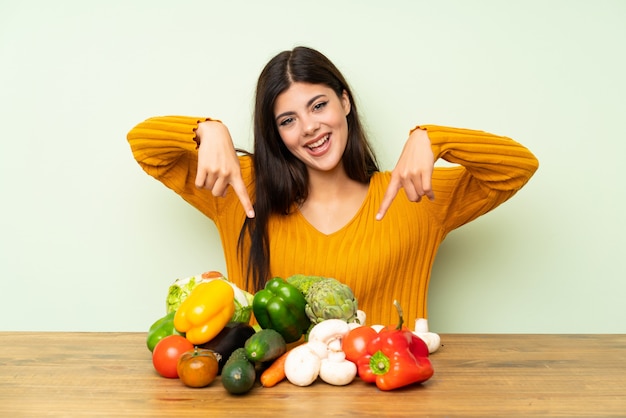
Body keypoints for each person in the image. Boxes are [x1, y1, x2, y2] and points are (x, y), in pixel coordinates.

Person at [127, 46, 539, 327]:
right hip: (267, 403)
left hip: (392, 395)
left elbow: (519, 166)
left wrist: (434, 139)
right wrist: (206, 130)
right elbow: (145, 146)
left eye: (319, 105)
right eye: (287, 120)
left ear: (345, 102)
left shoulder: (416, 195)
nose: (309, 128)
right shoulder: (242, 190)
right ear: (276, 133)